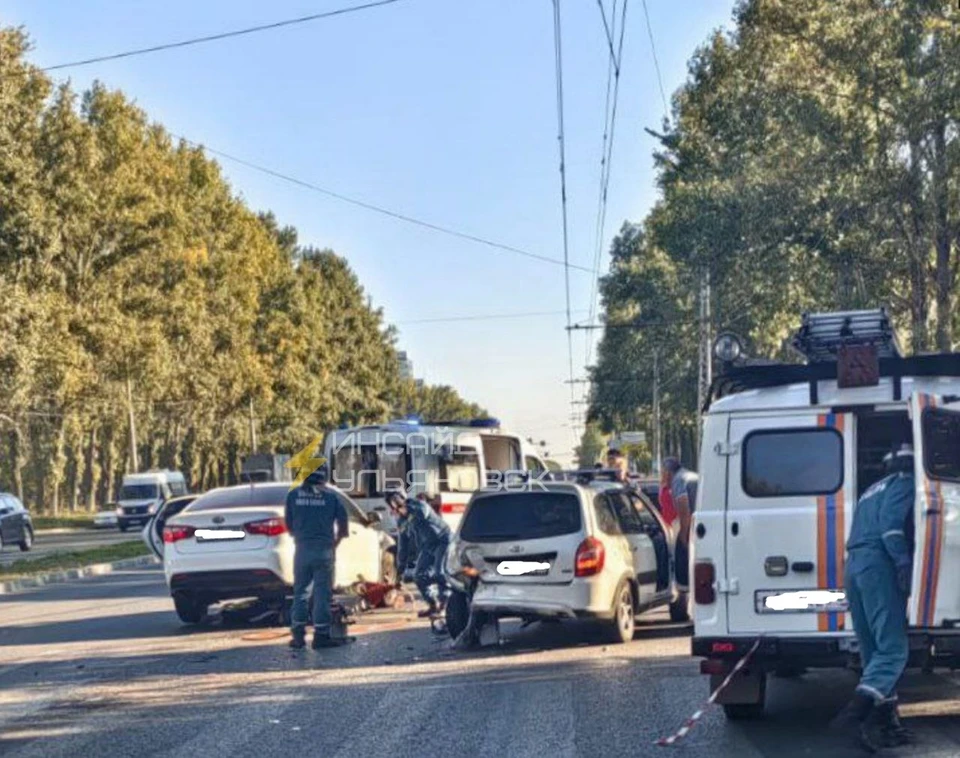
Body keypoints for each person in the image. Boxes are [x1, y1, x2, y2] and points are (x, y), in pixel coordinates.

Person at [835, 444, 915, 751]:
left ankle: (885, 724)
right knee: (893, 649)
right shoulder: (904, 483)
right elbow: (891, 529)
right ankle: (853, 718)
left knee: (873, 649)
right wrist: (903, 564)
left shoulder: (870, 490)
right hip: (876, 566)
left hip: (854, 566)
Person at [285, 467, 348, 650]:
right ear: (323, 479)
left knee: (301, 592)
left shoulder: (293, 496)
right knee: (322, 594)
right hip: (324, 551)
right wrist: (334, 543)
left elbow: (289, 524)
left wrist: (300, 537)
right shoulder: (331, 497)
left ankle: (298, 635)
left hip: (302, 550)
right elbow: (343, 526)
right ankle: (321, 636)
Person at [386, 487, 451, 618]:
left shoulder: (418, 504)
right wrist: (400, 570)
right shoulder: (402, 522)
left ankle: (446, 605)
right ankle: (433, 605)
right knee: (419, 576)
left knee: (440, 573)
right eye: (392, 503)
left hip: (442, 540)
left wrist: (406, 509)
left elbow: (423, 513)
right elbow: (402, 546)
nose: (395, 506)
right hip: (427, 546)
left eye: (396, 501)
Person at [663, 457, 698, 592]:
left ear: (668, 472)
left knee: (684, 559)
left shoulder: (678, 480)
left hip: (692, 524)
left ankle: (685, 591)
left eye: (663, 472)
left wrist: (684, 534)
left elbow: (684, 507)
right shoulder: (690, 475)